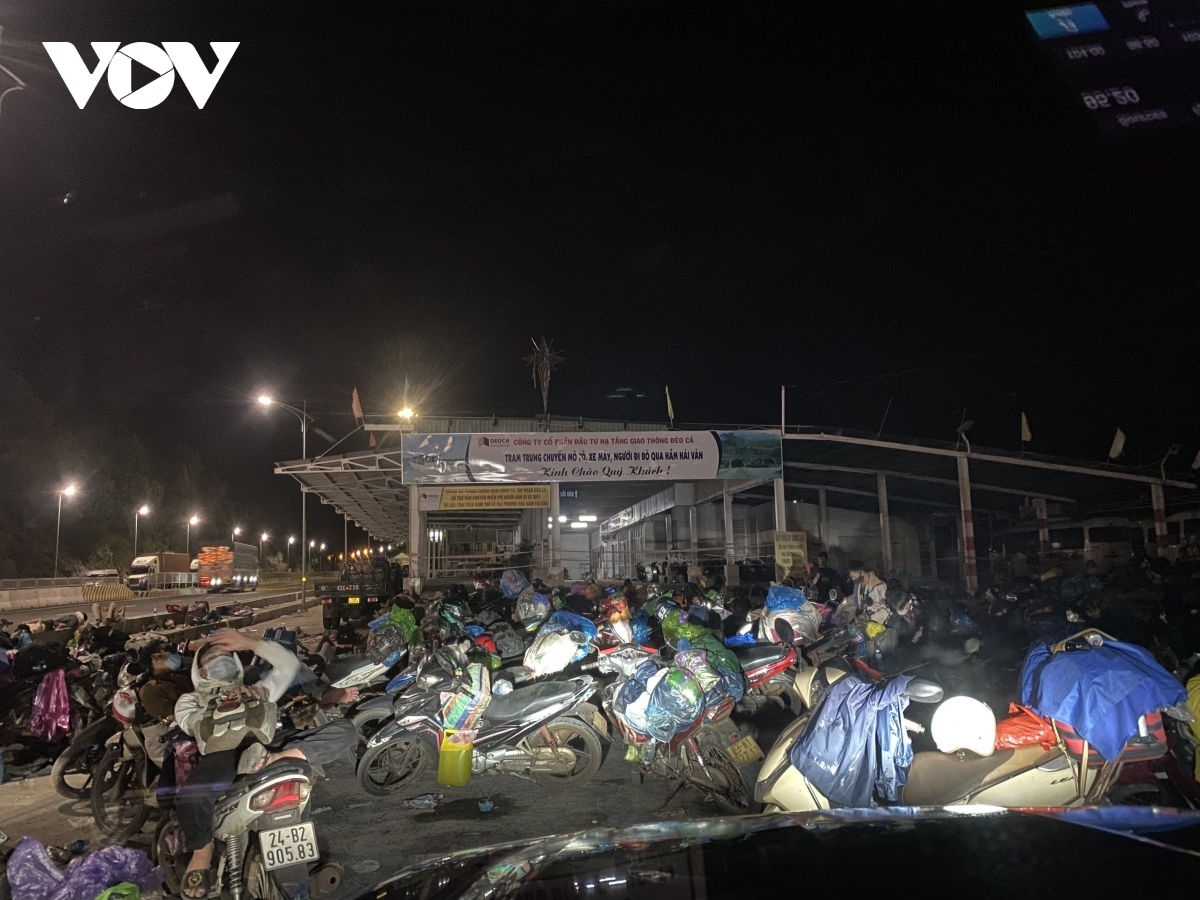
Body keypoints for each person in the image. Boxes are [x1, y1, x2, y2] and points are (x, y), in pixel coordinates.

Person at [174, 628, 357, 899]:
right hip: (225, 754)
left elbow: (289, 665)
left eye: (227, 654)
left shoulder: (258, 688)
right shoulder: (191, 700)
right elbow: (192, 723)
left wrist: (248, 642)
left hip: (269, 747)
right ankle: (202, 851)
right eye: (212, 657)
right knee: (191, 796)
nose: (220, 658)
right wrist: (227, 703)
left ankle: (277, 759)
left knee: (345, 731)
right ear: (199, 672)